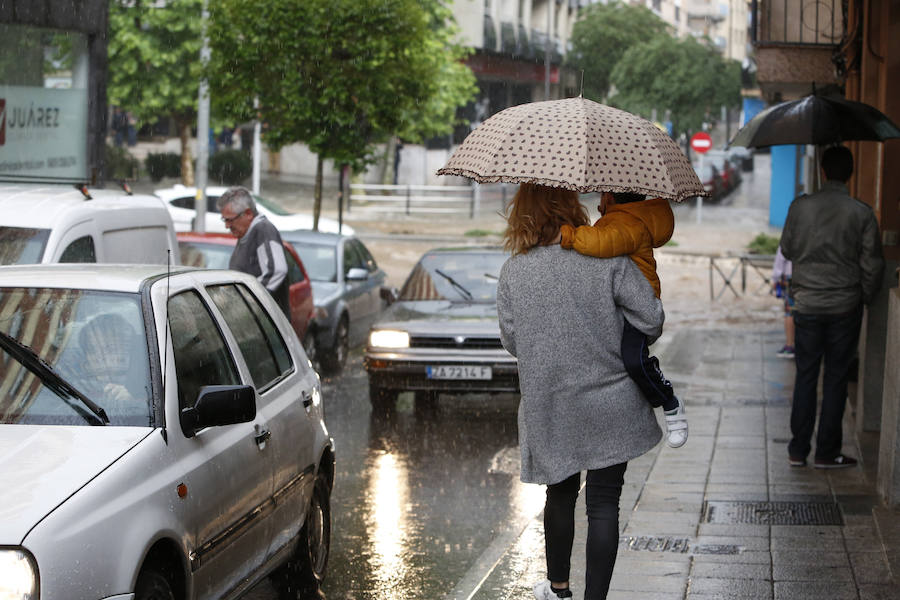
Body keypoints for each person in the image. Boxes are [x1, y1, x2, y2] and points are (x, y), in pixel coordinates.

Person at [496, 184, 665, 600]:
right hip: (612, 402)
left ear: (523, 215)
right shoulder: (608, 260)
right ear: (571, 206)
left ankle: (559, 590)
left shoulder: (514, 271)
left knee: (560, 493)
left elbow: (513, 342)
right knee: (604, 503)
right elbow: (651, 319)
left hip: (554, 404)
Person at [780, 145, 884, 469]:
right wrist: (864, 297)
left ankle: (798, 450)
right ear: (850, 174)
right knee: (837, 378)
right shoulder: (862, 212)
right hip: (844, 306)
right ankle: (827, 452)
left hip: (808, 304)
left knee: (806, 376)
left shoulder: (801, 207)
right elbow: (873, 265)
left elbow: (787, 248)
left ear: (822, 171)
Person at [559, 191, 687, 448]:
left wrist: (568, 234)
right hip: (616, 304)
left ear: (612, 198)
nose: (600, 198)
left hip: (636, 308)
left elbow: (602, 244)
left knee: (635, 360)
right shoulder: (615, 220)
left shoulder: (628, 224)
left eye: (603, 194)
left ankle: (670, 402)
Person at [217, 186, 290, 318]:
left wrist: (247, 302)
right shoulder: (246, 234)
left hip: (267, 326)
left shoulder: (263, 230)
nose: (227, 226)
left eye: (229, 220)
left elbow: (276, 271)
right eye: (224, 220)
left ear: (248, 213)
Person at [771, 245, 794, 358]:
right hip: (807, 275)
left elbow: (780, 261)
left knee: (789, 312)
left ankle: (790, 346)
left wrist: (775, 279)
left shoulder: (789, 237)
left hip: (789, 276)